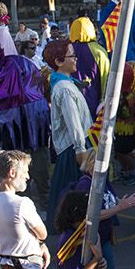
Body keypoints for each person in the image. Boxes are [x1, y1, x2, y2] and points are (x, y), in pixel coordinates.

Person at [43, 38, 93, 221]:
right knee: (73, 199)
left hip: (73, 145)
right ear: (58, 62)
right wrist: (81, 149)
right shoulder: (64, 89)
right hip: (73, 148)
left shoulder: (65, 83)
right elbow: (73, 122)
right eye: (72, 56)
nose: (76, 59)